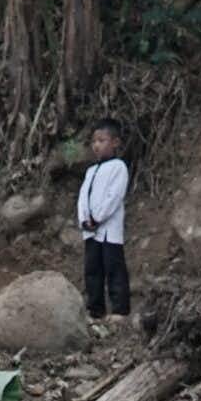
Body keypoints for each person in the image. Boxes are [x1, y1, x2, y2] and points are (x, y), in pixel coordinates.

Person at [79, 118, 133, 324]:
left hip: (109, 229)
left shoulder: (118, 167)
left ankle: (120, 309)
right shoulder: (90, 171)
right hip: (91, 231)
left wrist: (97, 217)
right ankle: (95, 310)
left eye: (102, 140)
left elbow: (114, 196)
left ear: (115, 143)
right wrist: (84, 219)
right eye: (94, 141)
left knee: (114, 268)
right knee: (92, 270)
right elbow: (83, 197)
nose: (96, 145)